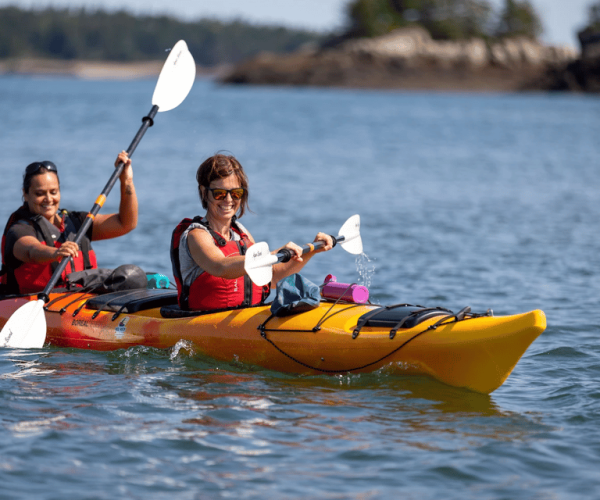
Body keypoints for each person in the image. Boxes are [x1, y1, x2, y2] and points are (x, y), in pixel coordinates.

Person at [171, 153, 333, 311]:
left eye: (235, 193)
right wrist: (273, 254)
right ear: (204, 192)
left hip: (244, 319)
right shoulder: (197, 235)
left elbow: (273, 277)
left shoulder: (241, 232)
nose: (228, 200)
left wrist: (311, 250)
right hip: (203, 323)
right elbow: (221, 267)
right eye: (219, 193)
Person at [0, 151, 138, 295]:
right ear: (26, 194)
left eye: (53, 192)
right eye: (40, 194)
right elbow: (31, 251)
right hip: (34, 305)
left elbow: (126, 223)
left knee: (135, 277)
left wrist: (126, 181)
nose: (48, 199)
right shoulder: (19, 229)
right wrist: (55, 253)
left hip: (81, 303)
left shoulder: (77, 223)